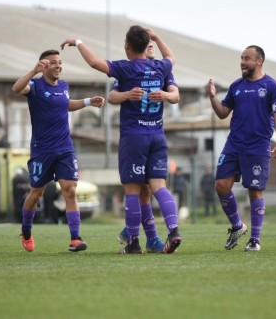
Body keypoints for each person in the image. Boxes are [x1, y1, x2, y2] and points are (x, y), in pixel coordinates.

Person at [61, 25, 182, 254]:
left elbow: (95, 62)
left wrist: (77, 42)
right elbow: (171, 57)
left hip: (134, 136)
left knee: (133, 191)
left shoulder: (125, 68)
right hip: (157, 135)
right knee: (159, 186)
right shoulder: (160, 66)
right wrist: (156, 36)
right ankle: (173, 230)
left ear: (127, 46)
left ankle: (133, 243)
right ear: (146, 44)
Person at [12, 49, 105, 253]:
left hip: (64, 147)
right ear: (44, 66)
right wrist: (33, 71)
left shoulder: (63, 86)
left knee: (70, 190)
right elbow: (17, 88)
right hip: (42, 150)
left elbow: (65, 105)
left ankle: (75, 238)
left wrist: (89, 101)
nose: (58, 66)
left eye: (60, 62)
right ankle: (26, 232)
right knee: (36, 193)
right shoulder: (35, 86)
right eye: (53, 62)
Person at [207, 45, 276, 252]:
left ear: (259, 61)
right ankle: (237, 226)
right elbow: (223, 113)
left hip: (258, 145)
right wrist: (213, 98)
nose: (242, 62)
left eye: (247, 58)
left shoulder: (272, 86)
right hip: (234, 144)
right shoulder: (236, 86)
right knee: (221, 186)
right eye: (241, 58)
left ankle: (255, 239)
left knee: (255, 191)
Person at [114, 40, 180, 253]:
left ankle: (139, 236)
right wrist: (126, 95)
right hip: (145, 137)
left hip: (146, 136)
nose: (151, 46)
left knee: (143, 190)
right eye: (148, 44)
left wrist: (166, 95)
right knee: (144, 190)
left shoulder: (163, 70)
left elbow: (176, 95)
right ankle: (150, 237)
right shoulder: (129, 71)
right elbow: (112, 95)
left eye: (153, 44)